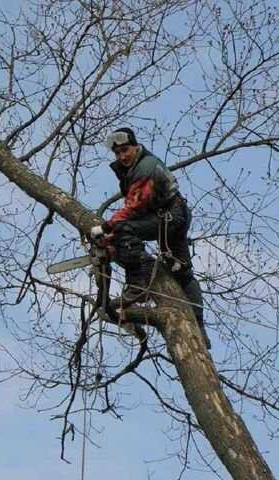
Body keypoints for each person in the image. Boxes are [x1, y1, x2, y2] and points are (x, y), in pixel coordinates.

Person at [90, 128, 210, 349]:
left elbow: (134, 206)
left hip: (171, 217)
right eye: (118, 154)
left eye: (125, 150)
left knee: (126, 229)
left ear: (135, 146)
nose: (122, 157)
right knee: (180, 271)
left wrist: (107, 227)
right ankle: (199, 329)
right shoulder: (131, 168)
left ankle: (138, 283)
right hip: (167, 215)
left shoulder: (146, 167)